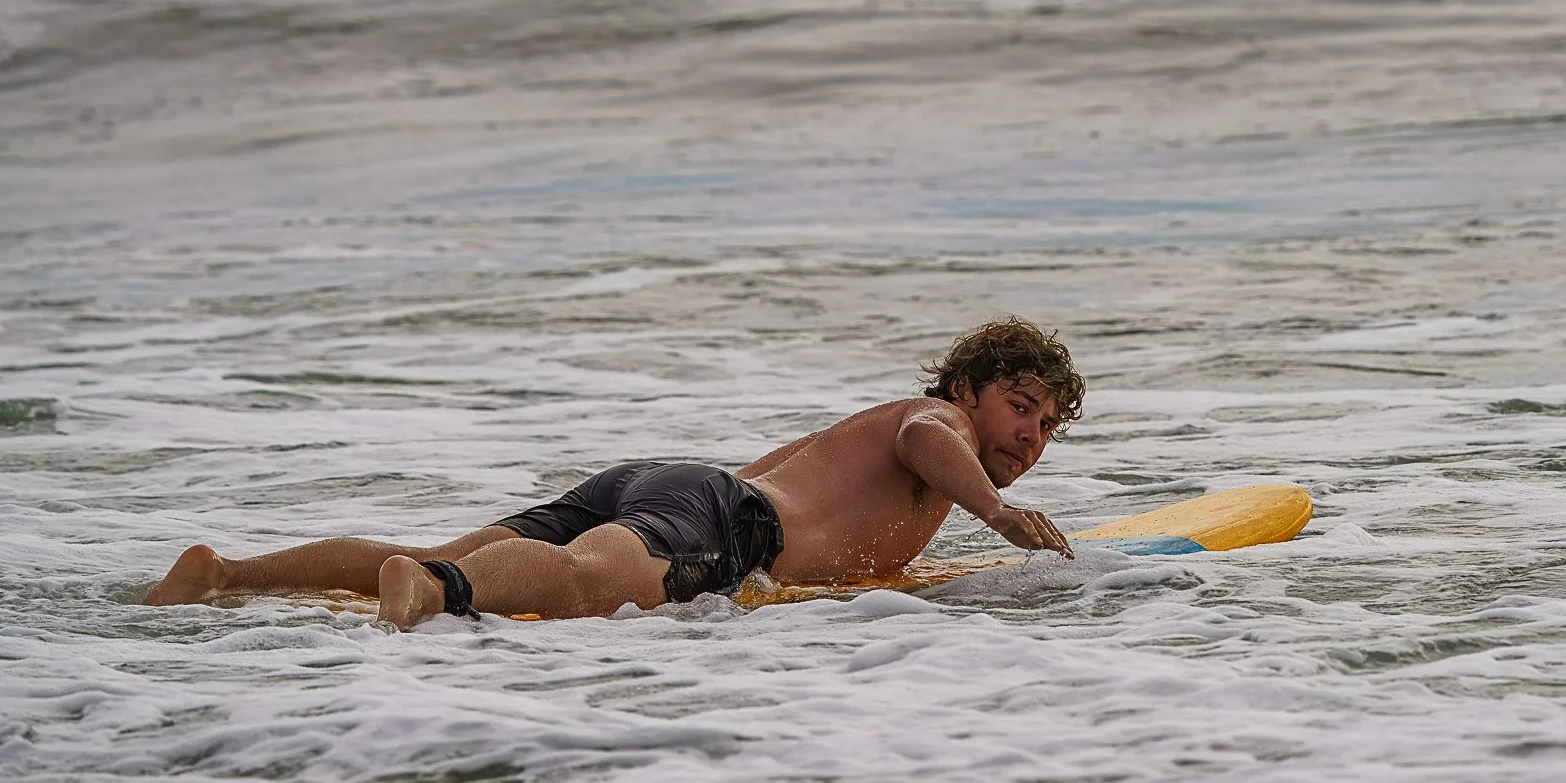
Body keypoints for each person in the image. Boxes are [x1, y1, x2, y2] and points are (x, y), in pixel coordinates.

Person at [143, 318, 1083, 629]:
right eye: (1020, 406)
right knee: (590, 585)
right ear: (969, 385)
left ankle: (224, 575)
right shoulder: (937, 422)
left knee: (452, 549)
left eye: (1046, 427)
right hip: (727, 518)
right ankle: (439, 589)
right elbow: (929, 439)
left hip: (666, 483)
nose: (1029, 434)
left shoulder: (881, 435)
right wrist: (1000, 518)